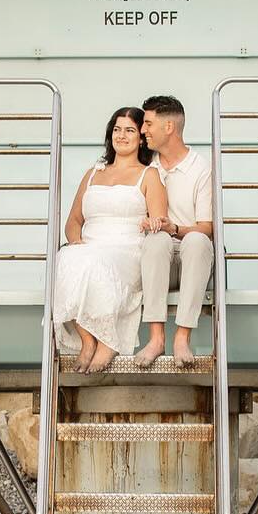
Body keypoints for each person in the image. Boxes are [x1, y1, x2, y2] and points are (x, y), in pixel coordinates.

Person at [53, 107, 168, 373]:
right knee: (68, 258)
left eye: (129, 130)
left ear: (140, 137)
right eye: (117, 129)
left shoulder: (149, 175)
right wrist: (75, 242)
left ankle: (108, 342)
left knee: (94, 262)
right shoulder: (93, 173)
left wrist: (154, 222)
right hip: (88, 247)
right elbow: (73, 221)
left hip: (126, 250)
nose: (122, 135)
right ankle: (87, 340)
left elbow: (160, 218)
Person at [137, 94, 214, 366]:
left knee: (197, 239)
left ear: (168, 127)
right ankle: (156, 338)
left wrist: (175, 228)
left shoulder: (201, 168)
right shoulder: (147, 167)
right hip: (159, 259)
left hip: (193, 257)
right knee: (156, 241)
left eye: (148, 123)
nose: (143, 130)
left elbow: (208, 228)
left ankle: (182, 338)